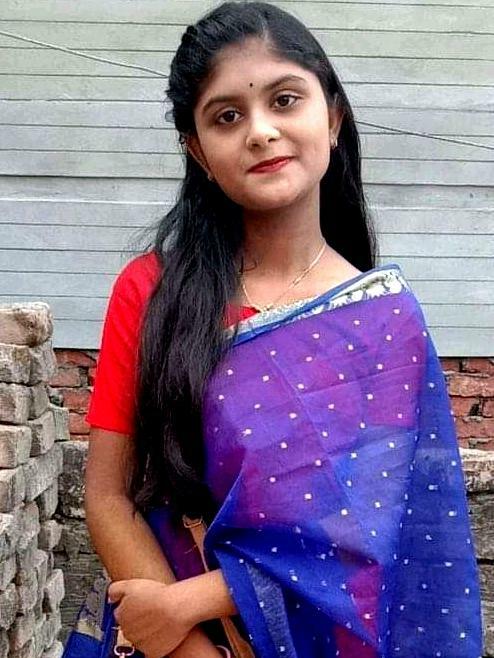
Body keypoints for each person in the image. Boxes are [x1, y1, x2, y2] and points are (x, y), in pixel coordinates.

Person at [83, 2, 483, 657]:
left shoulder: (381, 321)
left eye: (285, 100)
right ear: (197, 150)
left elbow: (369, 536)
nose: (261, 131)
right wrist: (188, 643)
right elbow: (107, 495)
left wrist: (192, 601)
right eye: (227, 116)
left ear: (332, 117)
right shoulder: (151, 290)